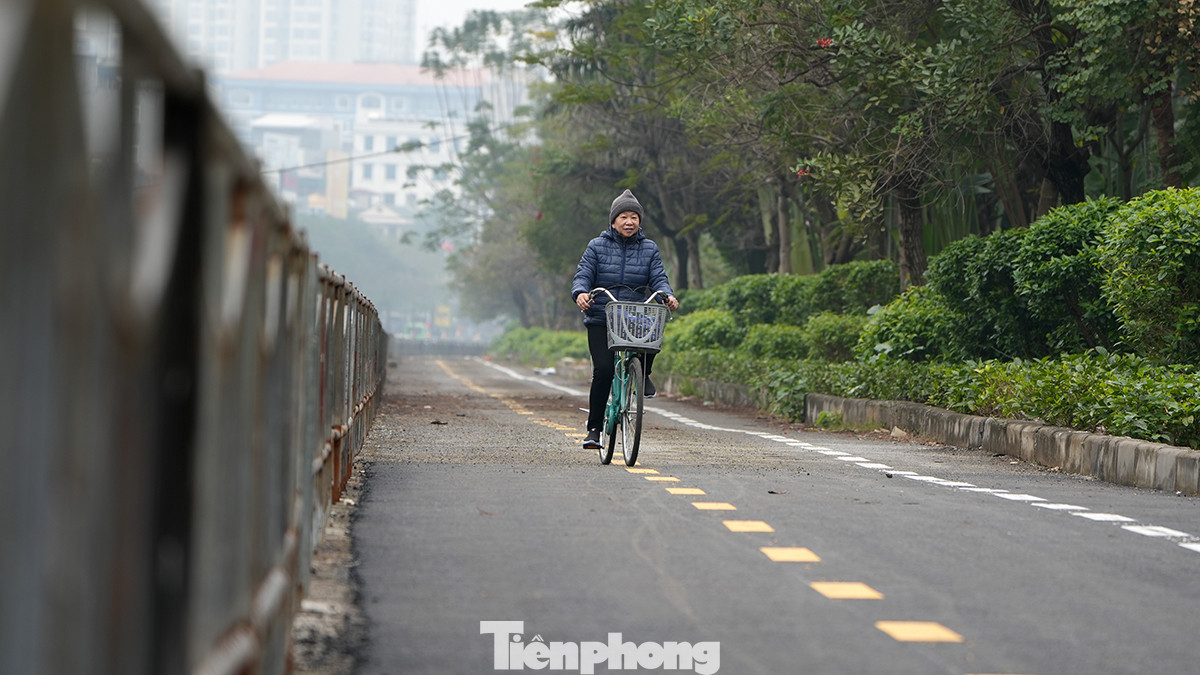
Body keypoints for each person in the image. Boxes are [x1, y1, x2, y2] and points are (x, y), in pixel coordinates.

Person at [571, 189, 679, 450]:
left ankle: (643, 373)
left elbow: (658, 278)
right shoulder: (596, 246)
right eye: (624, 216)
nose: (629, 221)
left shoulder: (650, 248)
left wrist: (667, 295)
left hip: (633, 316)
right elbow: (583, 274)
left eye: (634, 217)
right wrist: (581, 293)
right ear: (613, 221)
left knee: (652, 335)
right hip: (601, 316)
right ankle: (594, 429)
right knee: (604, 371)